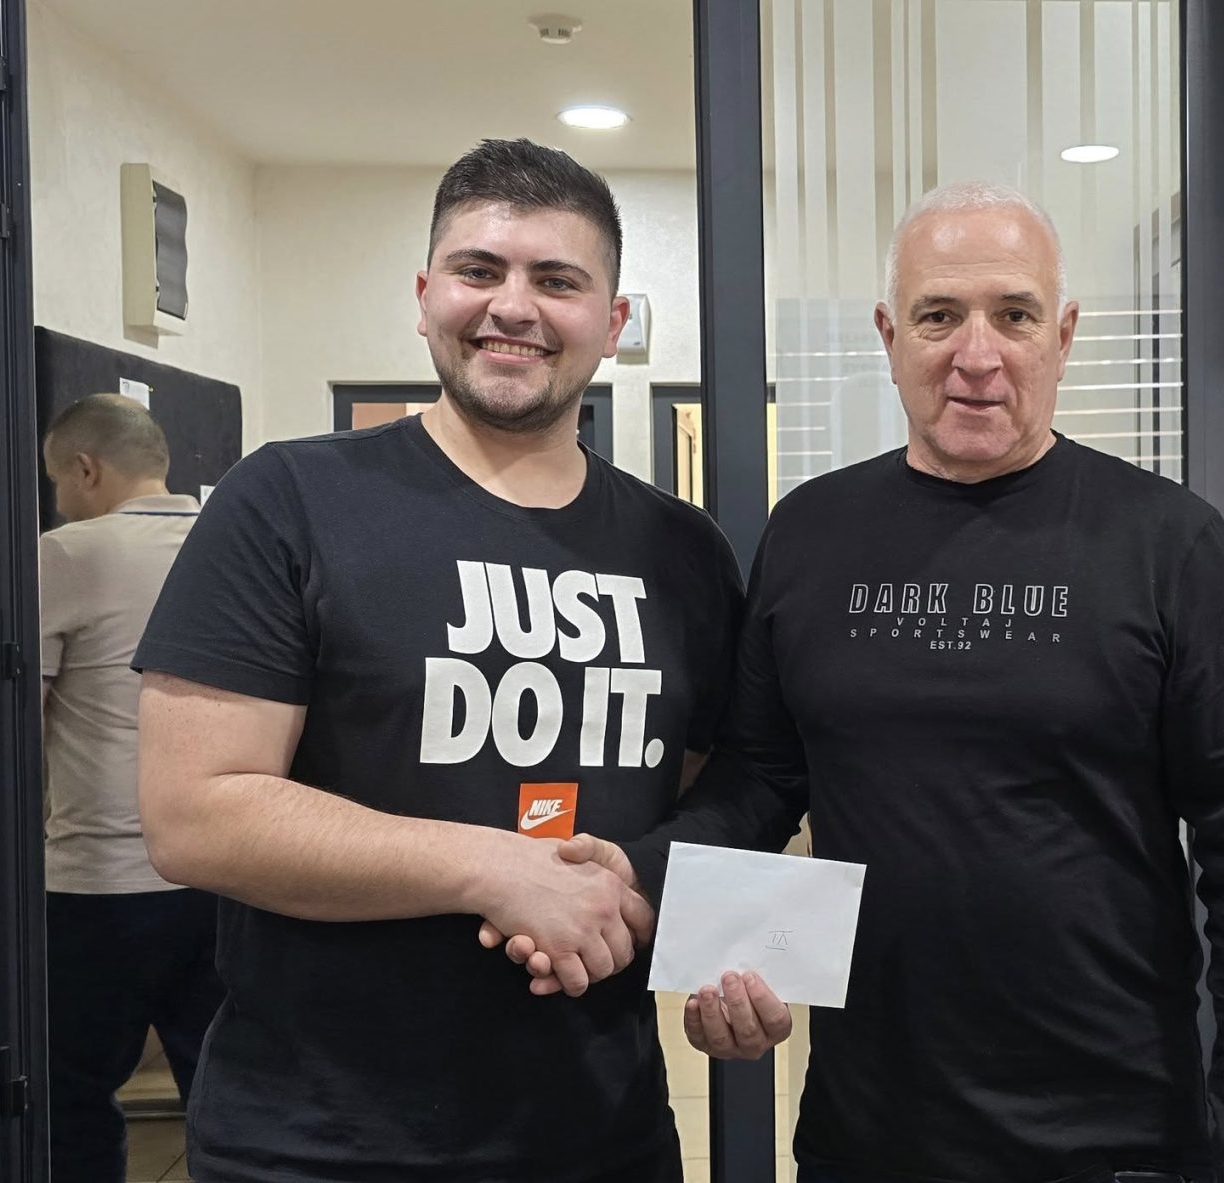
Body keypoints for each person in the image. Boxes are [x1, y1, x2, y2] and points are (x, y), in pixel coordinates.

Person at [502, 183, 1224, 1183]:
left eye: (1014, 315)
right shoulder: (812, 533)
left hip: (1116, 1137)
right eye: (939, 316)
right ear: (890, 337)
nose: (977, 354)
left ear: (1063, 335)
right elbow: (759, 782)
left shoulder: (1167, 542)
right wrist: (638, 879)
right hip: (866, 1133)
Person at [130, 139, 739, 1181]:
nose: (513, 306)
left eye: (557, 280)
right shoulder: (288, 500)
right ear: (425, 297)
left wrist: (719, 946)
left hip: (602, 1129)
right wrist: (490, 868)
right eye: (478, 270)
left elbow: (708, 796)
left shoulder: (683, 550)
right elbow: (194, 814)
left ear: (613, 322)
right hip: (318, 1143)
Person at [37, 392, 225, 1183]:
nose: (60, 499)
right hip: (222, 871)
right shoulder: (230, 541)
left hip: (99, 881)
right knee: (222, 1085)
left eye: (59, 480)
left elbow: (13, 721)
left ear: (86, 469)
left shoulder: (69, 552)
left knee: (72, 1089)